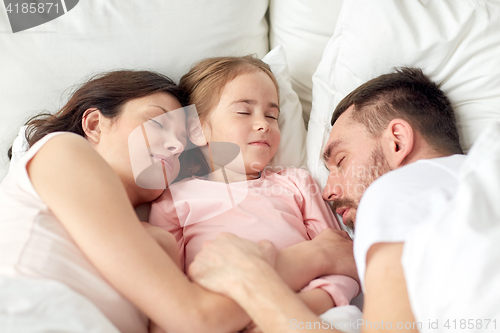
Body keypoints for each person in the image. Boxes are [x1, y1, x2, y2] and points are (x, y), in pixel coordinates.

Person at [0, 70, 357, 333]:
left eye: (184, 137)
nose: (176, 145)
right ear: (94, 124)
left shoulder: (156, 240)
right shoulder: (62, 152)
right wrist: (320, 254)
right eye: (158, 122)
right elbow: (197, 318)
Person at [187, 67, 466, 332]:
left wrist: (254, 283)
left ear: (397, 142)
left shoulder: (395, 193)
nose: (327, 191)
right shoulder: (474, 176)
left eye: (341, 160)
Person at [149, 56, 360, 316]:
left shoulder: (296, 183)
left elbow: (342, 257)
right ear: (197, 129)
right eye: (244, 112)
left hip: (311, 313)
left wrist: (306, 306)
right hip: (221, 317)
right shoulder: (174, 200)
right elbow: (168, 288)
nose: (264, 124)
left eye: (272, 116)